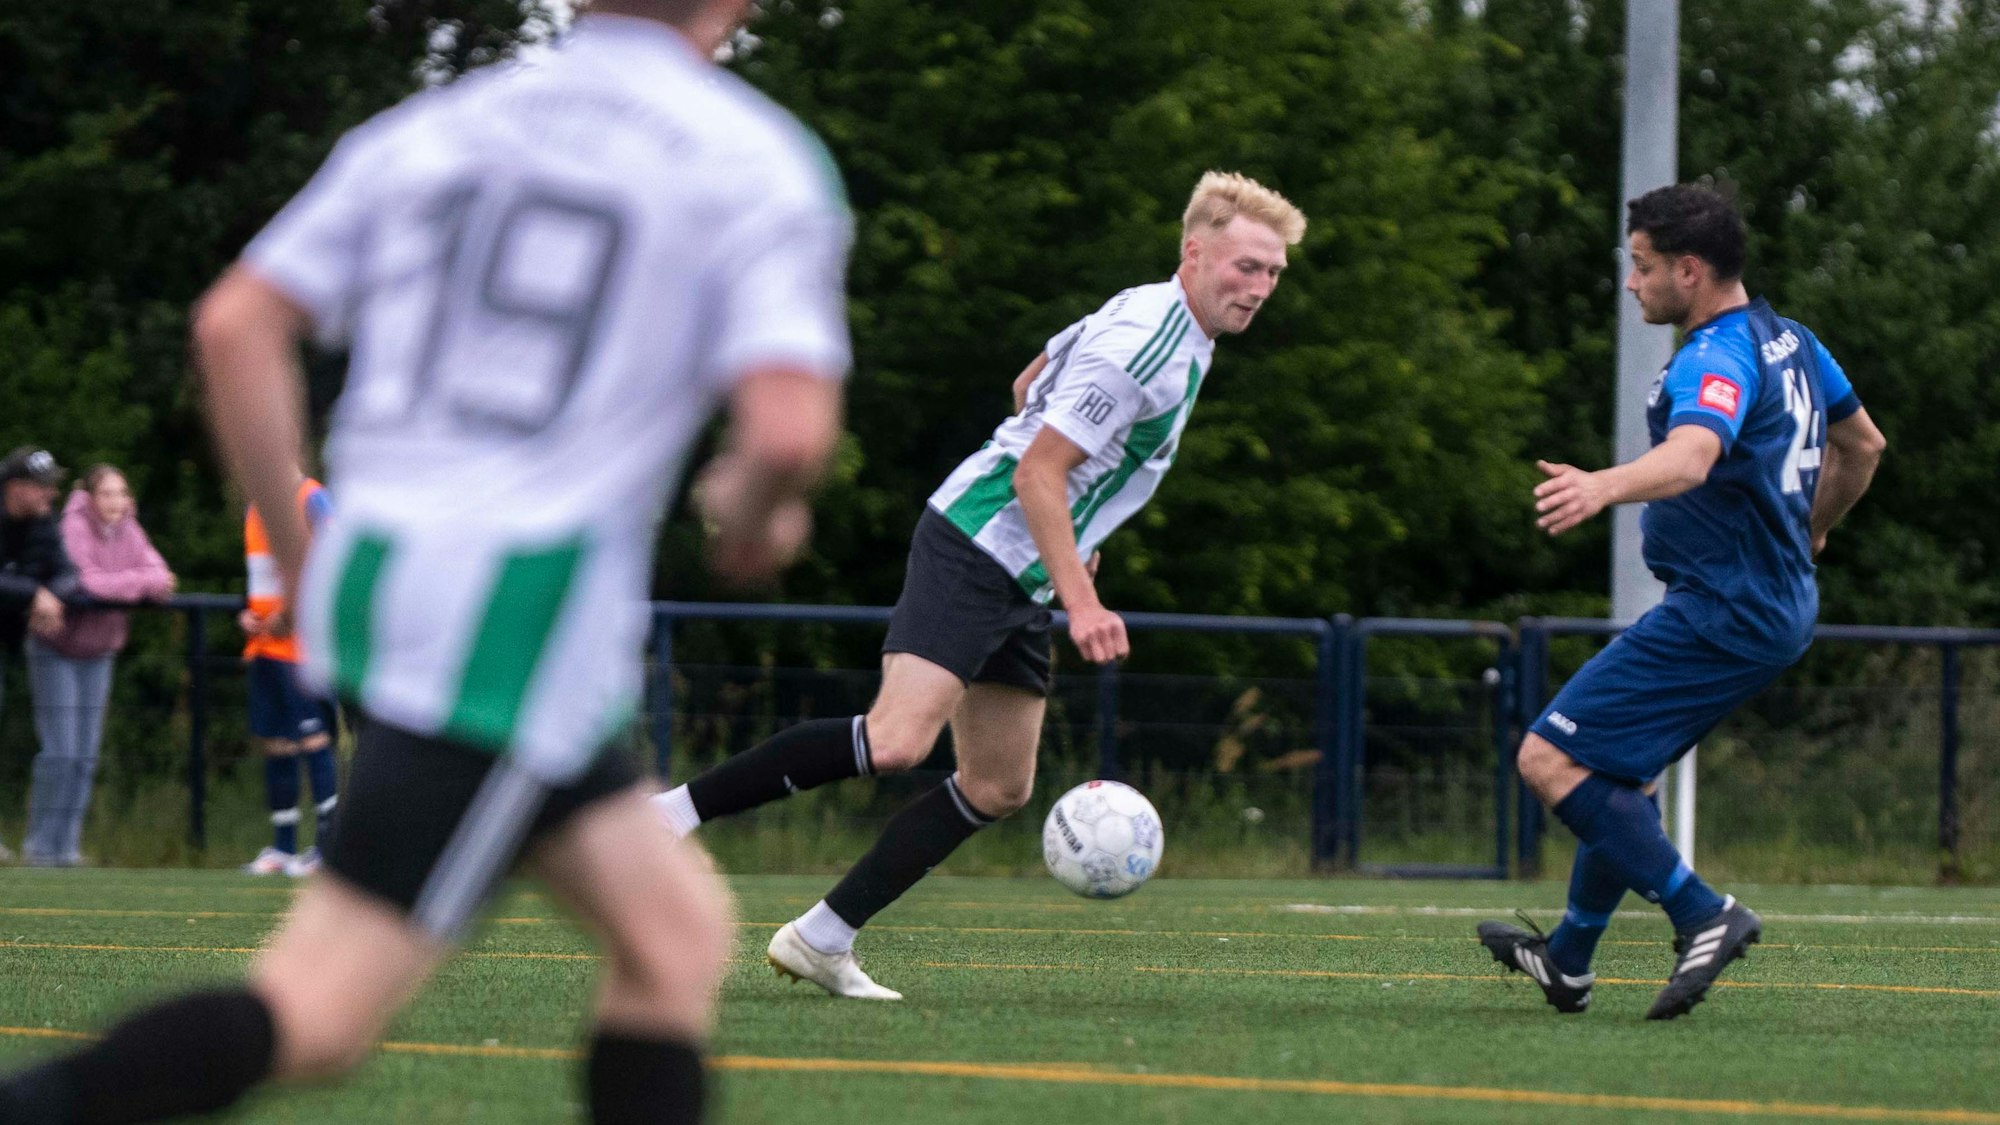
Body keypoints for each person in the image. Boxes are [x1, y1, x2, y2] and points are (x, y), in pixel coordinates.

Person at [0, 0, 850, 1118]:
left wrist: (299, 550)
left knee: (673, 936)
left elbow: (234, 326)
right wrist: (751, 510)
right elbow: (787, 432)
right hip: (514, 619)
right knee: (319, 1014)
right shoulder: (755, 158)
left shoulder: (437, 126)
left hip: (395, 579)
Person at [654, 171, 1307, 1000]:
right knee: (897, 740)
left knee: (998, 784)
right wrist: (1082, 597)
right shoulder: (1147, 337)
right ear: (1195, 249)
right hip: (979, 541)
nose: (1260, 287)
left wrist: (1078, 537)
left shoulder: (1170, 325)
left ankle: (823, 936)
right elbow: (1038, 470)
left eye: (1274, 273)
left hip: (1026, 564)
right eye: (1246, 265)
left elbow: (1030, 383)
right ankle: (667, 816)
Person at [1478, 184, 1886, 1020]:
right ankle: (1569, 957)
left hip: (1725, 606)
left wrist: (1601, 486)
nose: (1631, 283)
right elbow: (1864, 444)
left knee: (1548, 759)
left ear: (1689, 271)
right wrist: (1814, 528)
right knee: (1619, 771)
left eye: (1642, 266)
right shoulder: (1793, 340)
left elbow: (1695, 455)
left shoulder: (1718, 354)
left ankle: (1703, 911)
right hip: (1770, 601)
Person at [22, 465, 177, 867]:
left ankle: (66, 849)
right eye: (107, 494)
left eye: (121, 494)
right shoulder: (73, 525)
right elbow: (84, 581)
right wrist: (136, 583)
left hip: (100, 652)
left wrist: (130, 582)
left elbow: (161, 578)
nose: (116, 502)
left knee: (87, 756)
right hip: (57, 648)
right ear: (90, 498)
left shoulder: (130, 528)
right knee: (61, 752)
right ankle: (40, 848)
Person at [240, 471, 338, 877]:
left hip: (303, 647)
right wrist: (250, 614)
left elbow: (333, 562)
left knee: (314, 740)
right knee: (278, 742)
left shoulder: (313, 499)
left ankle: (327, 851)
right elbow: (263, 577)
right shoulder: (255, 504)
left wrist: (291, 614)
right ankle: (283, 849)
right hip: (265, 646)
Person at [0, 446, 80, 865]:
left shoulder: (41, 522)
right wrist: (35, 593)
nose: (51, 494)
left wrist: (49, 595)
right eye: (43, 486)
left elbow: (68, 573)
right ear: (16, 488)